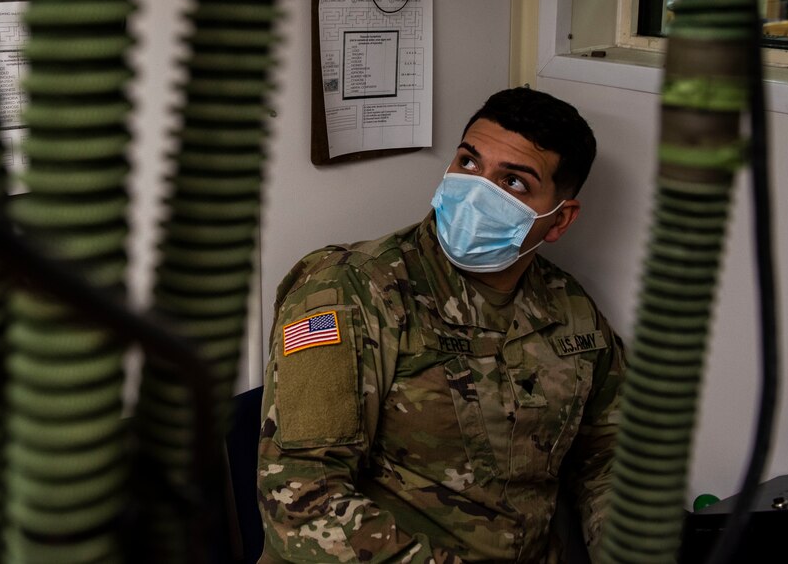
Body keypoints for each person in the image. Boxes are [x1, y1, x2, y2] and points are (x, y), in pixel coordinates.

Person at [256, 87, 625, 563]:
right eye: (469, 163)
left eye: (513, 183)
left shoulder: (570, 310)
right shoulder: (350, 291)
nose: (477, 190)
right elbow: (301, 498)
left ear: (558, 221)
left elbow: (609, 458)